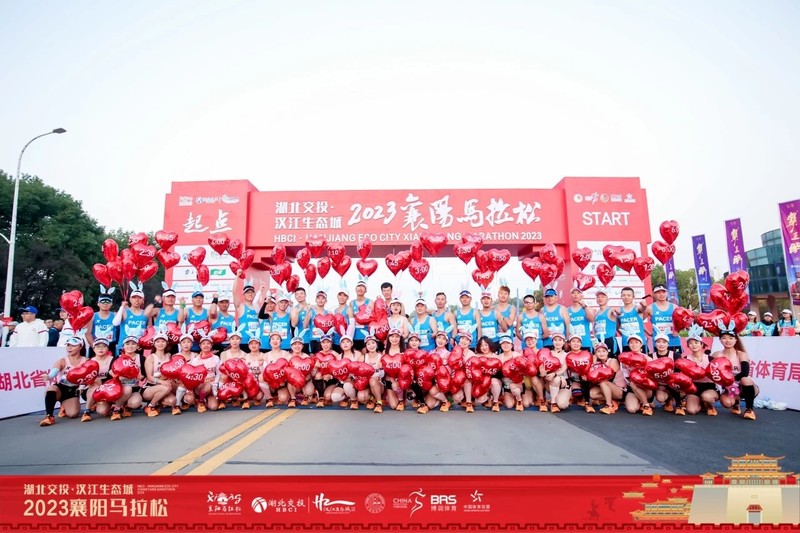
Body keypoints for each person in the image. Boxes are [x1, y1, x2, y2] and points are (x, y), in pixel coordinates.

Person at [712, 326, 759, 420]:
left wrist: (730, 380)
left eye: (731, 338)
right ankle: (736, 403)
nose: (727, 341)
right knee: (727, 403)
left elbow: (745, 373)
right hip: (728, 388)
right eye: (724, 338)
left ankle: (749, 409)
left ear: (735, 340)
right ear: (720, 340)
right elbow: (712, 372)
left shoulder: (741, 354)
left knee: (745, 379)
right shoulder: (716, 355)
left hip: (742, 385)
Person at [39, 336, 87, 426]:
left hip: (73, 390)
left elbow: (88, 377)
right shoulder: (63, 360)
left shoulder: (86, 361)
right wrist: (48, 376)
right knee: (51, 389)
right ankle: (49, 416)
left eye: (73, 345)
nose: (69, 348)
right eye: (68, 345)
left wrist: (82, 386)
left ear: (80, 347)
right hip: (61, 387)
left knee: (73, 414)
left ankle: (64, 405)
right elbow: (55, 370)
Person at [681, 325, 718, 417]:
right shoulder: (685, 359)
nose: (693, 345)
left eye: (696, 342)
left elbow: (717, 375)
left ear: (701, 344)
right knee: (691, 411)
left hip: (709, 386)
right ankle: (702, 404)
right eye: (690, 343)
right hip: (694, 387)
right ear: (688, 346)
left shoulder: (710, 358)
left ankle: (709, 405)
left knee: (707, 397)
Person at [141, 330, 178, 417]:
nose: (160, 344)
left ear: (167, 343)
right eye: (157, 341)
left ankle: (158, 403)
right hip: (150, 387)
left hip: (165, 386)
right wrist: (162, 381)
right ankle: (150, 406)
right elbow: (149, 377)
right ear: (154, 343)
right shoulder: (151, 357)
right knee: (167, 387)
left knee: (172, 401)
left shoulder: (169, 356)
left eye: (163, 341)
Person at [80, 338, 116, 422]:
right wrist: (81, 386)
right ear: (93, 349)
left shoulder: (114, 360)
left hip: (108, 389)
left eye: (104, 346)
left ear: (108, 349)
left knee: (102, 411)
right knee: (96, 382)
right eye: (98, 346)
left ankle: (103, 404)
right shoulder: (88, 362)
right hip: (92, 389)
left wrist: (114, 375)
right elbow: (83, 376)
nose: (101, 349)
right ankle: (87, 411)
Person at [109, 336, 144, 420]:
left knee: (134, 403)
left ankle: (125, 406)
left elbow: (144, 375)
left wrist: (140, 376)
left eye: (133, 344)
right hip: (119, 388)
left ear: (137, 346)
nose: (130, 346)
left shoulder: (141, 358)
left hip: (134, 387)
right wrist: (116, 375)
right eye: (127, 344)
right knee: (127, 389)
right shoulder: (117, 358)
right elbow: (110, 372)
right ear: (123, 346)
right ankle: (116, 409)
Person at [642, 284, 681, 355]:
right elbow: (639, 321)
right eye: (658, 292)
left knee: (676, 360)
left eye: (663, 292)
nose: (661, 294)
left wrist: (677, 330)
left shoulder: (674, 307)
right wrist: (648, 332)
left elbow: (681, 322)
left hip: (673, 340)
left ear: (667, 293)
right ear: (653, 294)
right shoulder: (650, 308)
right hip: (658, 342)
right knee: (659, 361)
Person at [587, 342, 624, 415]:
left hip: (619, 390)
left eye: (604, 351)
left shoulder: (612, 361)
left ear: (607, 352)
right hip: (607, 387)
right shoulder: (597, 363)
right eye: (598, 351)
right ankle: (614, 401)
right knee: (592, 393)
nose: (601, 353)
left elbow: (609, 378)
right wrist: (593, 362)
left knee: (603, 382)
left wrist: (595, 367)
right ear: (595, 354)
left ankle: (609, 405)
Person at [622, 334, 654, 416]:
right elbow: (626, 376)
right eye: (631, 343)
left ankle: (646, 405)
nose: (634, 345)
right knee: (632, 409)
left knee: (634, 382)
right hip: (633, 388)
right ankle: (641, 402)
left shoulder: (648, 358)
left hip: (646, 388)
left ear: (641, 344)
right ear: (628, 345)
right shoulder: (625, 359)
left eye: (636, 342)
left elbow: (652, 376)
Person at [651, 332, 682, 414]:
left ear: (668, 344)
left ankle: (679, 404)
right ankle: (668, 400)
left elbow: (678, 373)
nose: (661, 344)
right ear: (655, 344)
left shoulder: (676, 355)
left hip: (673, 383)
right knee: (660, 398)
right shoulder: (651, 356)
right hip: (660, 384)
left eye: (664, 342)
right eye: (658, 342)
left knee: (677, 383)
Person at [113, 288, 149, 354]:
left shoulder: (146, 313)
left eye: (139, 298)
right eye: (134, 297)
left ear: (143, 300)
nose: (137, 300)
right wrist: (122, 307)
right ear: (130, 299)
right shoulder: (124, 312)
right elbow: (115, 323)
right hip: (123, 347)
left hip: (138, 347)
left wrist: (144, 344)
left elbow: (149, 331)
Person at [542, 332, 571, 413]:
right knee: (555, 379)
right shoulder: (548, 353)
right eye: (555, 340)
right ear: (552, 342)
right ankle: (553, 403)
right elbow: (542, 367)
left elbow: (563, 368)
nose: (557, 342)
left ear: (564, 342)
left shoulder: (567, 355)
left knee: (562, 405)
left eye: (560, 340)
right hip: (550, 382)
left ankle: (559, 398)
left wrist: (555, 374)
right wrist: (544, 374)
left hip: (563, 382)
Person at [498, 334, 524, 411]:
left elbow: (524, 369)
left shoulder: (517, 355)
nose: (505, 345)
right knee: (509, 405)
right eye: (503, 343)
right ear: (500, 345)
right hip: (506, 384)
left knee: (514, 388)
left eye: (508, 343)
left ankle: (519, 399)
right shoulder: (499, 357)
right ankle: (511, 397)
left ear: (512, 345)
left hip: (518, 383)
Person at [616, 287, 647, 352]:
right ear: (621, 296)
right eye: (624, 295)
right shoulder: (619, 311)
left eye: (629, 295)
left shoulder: (637, 308)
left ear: (633, 296)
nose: (626, 297)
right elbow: (618, 327)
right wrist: (625, 334)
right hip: (626, 344)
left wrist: (644, 305)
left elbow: (643, 308)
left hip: (639, 344)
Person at [233, 278, 263, 343]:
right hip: (244, 341)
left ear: (255, 294)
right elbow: (234, 292)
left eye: (252, 292)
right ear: (243, 294)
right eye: (247, 292)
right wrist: (237, 276)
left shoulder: (258, 307)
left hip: (256, 341)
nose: (250, 294)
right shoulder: (241, 306)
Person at [362, 334, 385, 413]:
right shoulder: (363, 357)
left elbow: (384, 374)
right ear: (366, 346)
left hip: (379, 384)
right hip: (367, 385)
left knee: (372, 380)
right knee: (361, 397)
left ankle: (379, 403)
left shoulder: (381, 357)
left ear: (376, 344)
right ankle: (372, 398)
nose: (371, 345)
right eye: (368, 344)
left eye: (373, 343)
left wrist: (380, 369)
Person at [593, 289, 619, 355]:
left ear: (608, 299)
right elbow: (594, 329)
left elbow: (619, 314)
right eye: (598, 297)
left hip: (609, 340)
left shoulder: (611, 311)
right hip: (599, 341)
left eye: (603, 297)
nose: (600, 299)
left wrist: (617, 312)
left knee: (612, 360)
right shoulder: (596, 313)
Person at [350, 280, 372, 351]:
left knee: (365, 355)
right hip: (354, 335)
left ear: (366, 290)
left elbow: (373, 319)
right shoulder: (351, 303)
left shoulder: (370, 302)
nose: (360, 288)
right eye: (359, 286)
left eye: (363, 287)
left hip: (365, 335)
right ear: (355, 289)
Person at [290, 287, 312, 353]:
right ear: (295, 297)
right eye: (297, 294)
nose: (299, 295)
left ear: (305, 295)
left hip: (313, 338)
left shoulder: (311, 307)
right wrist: (298, 311)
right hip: (301, 340)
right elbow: (293, 324)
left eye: (301, 293)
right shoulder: (294, 309)